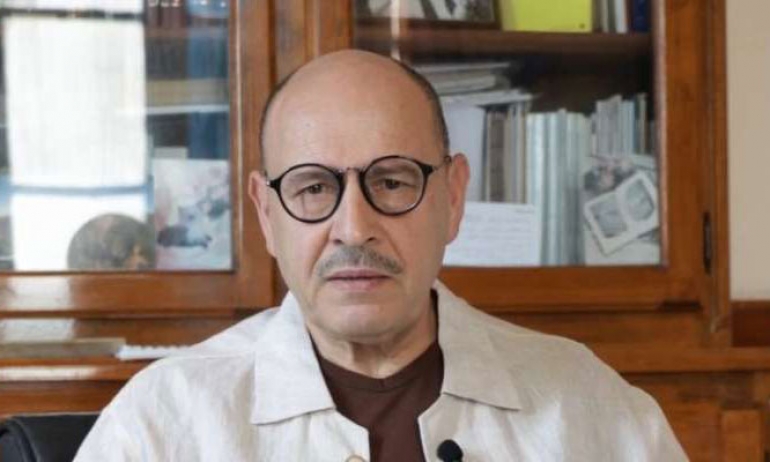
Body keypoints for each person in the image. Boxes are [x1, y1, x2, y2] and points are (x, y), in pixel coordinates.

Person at [75, 50, 686, 461]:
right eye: (314, 188)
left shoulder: (588, 408)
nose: (354, 228)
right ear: (266, 214)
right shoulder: (162, 423)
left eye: (392, 182)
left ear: (452, 197)